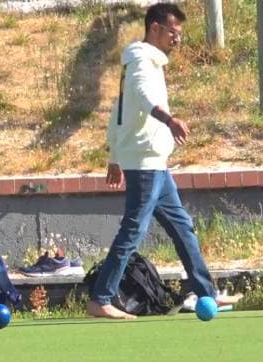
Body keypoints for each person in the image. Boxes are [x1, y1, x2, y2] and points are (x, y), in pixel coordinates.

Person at [87, 3, 242, 320]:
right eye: (174, 32)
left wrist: (115, 158)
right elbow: (144, 97)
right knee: (133, 229)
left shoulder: (143, 62)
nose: (178, 38)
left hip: (153, 161)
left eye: (180, 33)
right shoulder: (141, 61)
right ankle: (100, 299)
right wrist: (169, 119)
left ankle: (207, 292)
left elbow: (120, 112)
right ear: (155, 28)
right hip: (145, 162)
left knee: (182, 227)